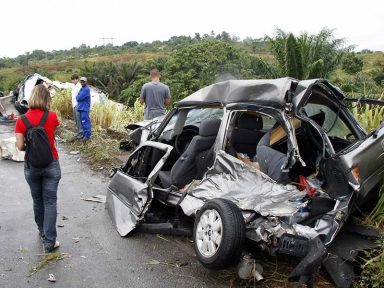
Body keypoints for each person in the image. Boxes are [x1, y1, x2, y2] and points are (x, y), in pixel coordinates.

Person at [15, 84, 61, 253]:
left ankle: (42, 231)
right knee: (50, 201)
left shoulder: (21, 120)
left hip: (31, 165)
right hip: (51, 163)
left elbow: (20, 146)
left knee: (37, 200)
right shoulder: (52, 116)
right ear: (47, 99)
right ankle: (49, 242)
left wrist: (31, 146)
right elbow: (54, 131)